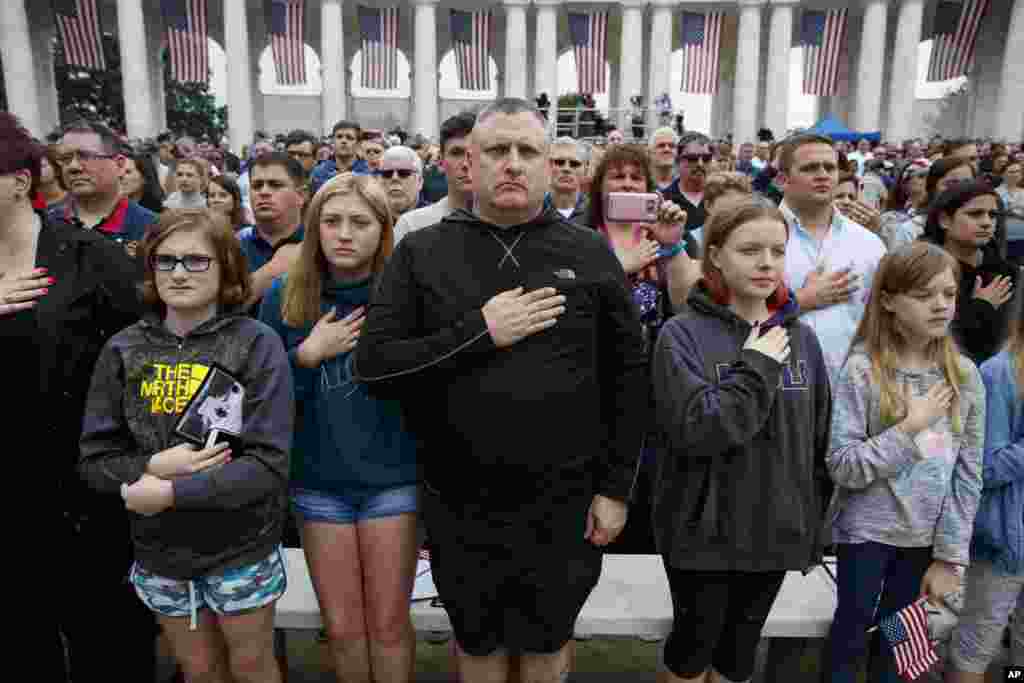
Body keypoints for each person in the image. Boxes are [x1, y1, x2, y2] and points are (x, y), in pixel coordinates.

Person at [351, 98, 649, 683]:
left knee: (545, 647)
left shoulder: (588, 253)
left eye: (526, 151)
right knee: (480, 647)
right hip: (462, 501)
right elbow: (376, 366)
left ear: (548, 166)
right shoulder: (423, 250)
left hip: (565, 503)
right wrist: (479, 332)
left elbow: (629, 378)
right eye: (496, 151)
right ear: (467, 164)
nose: (511, 164)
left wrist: (615, 489)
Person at [79, 208, 295, 683]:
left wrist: (173, 492)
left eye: (197, 261)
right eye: (166, 261)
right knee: (197, 669)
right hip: (160, 552)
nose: (178, 272)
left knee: (252, 665)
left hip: (242, 546)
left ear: (226, 269)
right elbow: (95, 460)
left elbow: (268, 463)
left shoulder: (256, 344)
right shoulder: (123, 349)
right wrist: (151, 466)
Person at [651, 200, 833, 683]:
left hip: (774, 527)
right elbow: (698, 429)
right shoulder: (681, 335)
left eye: (777, 250)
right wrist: (756, 368)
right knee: (693, 647)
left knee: (738, 651)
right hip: (704, 530)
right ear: (716, 256)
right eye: (750, 250)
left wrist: (809, 523)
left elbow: (816, 442)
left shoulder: (803, 339)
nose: (767, 262)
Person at [0, 113, 150, 682]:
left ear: (20, 179)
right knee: (17, 638)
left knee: (107, 639)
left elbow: (145, 355)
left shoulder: (91, 257)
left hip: (85, 490)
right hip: (6, 495)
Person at [259, 173, 419, 683]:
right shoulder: (287, 296)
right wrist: (304, 356)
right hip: (318, 483)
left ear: (383, 231)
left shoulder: (406, 297)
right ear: (315, 228)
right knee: (344, 627)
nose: (344, 233)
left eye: (359, 222)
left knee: (389, 625)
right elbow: (259, 398)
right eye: (331, 221)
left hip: (392, 482)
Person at [823, 241, 985, 683]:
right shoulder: (863, 369)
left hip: (925, 543)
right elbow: (843, 464)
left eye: (948, 294)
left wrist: (950, 556)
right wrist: (909, 429)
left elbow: (968, 475)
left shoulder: (965, 375)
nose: (940, 305)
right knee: (853, 638)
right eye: (923, 294)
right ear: (890, 301)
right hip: (866, 535)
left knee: (899, 650)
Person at [945, 317, 1024, 683]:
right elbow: (983, 467)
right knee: (976, 648)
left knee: (1018, 660)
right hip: (1004, 543)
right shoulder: (999, 372)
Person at [777, 133, 886, 384]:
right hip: (779, 389)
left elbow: (881, 322)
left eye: (830, 167)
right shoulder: (755, 236)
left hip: (851, 390)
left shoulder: (868, 244)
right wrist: (800, 302)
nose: (823, 174)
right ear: (783, 180)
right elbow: (734, 317)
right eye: (810, 168)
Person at [921, 182, 1019, 366]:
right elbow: (923, 338)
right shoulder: (924, 271)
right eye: (975, 214)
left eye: (992, 215)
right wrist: (980, 308)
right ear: (945, 220)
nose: (986, 222)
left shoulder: (1007, 272)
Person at [52, 120, 159, 256]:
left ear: (119, 165)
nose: (73, 167)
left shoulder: (152, 228)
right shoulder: (45, 226)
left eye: (85, 156)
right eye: (65, 158)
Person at [393, 111, 475, 245]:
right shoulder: (412, 226)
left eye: (474, 153)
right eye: (456, 153)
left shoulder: (509, 224)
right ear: (441, 161)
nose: (466, 163)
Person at [239, 153, 307, 307]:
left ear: (301, 195)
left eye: (275, 185)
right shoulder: (231, 248)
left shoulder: (320, 245)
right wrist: (272, 271)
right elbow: (215, 313)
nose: (263, 192)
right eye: (256, 186)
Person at [888, 157, 977, 250]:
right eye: (951, 184)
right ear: (933, 188)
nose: (961, 189)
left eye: (968, 183)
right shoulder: (911, 230)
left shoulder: (983, 225)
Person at [687, 171, 753, 252]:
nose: (735, 215)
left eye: (741, 208)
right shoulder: (688, 242)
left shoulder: (750, 241)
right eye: (727, 207)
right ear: (708, 206)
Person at [662, 132, 712, 233]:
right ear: (677, 161)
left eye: (706, 158)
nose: (700, 164)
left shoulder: (721, 197)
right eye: (692, 158)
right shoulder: (663, 200)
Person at [879, 163, 930, 249]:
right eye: (909, 176)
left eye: (923, 176)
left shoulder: (932, 213)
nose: (923, 180)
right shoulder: (891, 214)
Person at [311, 121, 370, 194]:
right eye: (339, 137)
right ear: (332, 141)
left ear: (358, 143)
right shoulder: (319, 172)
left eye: (349, 138)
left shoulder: (367, 173)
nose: (343, 141)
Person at [544, 137, 589, 222]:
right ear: (547, 166)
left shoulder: (595, 213)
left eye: (574, 164)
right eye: (559, 162)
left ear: (585, 170)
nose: (566, 168)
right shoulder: (533, 210)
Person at [374, 146, 425, 219]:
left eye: (404, 172)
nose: (395, 178)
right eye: (387, 173)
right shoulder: (366, 218)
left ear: (419, 182)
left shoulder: (436, 220)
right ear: (378, 181)